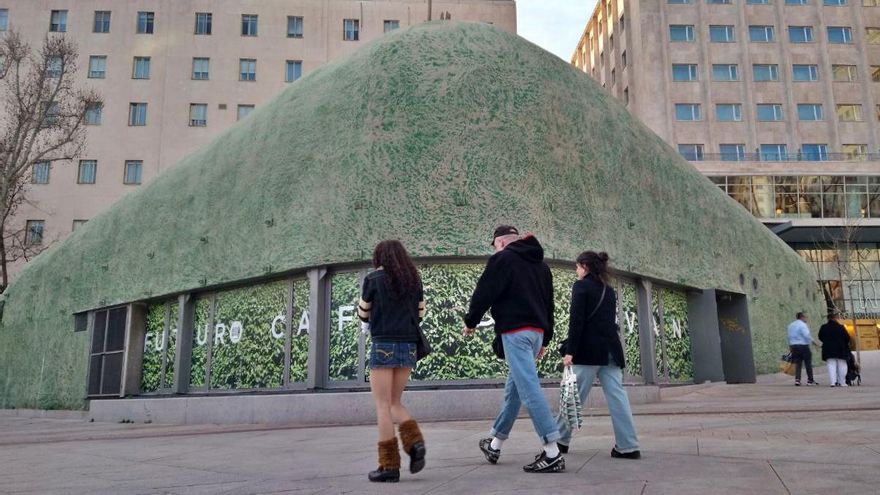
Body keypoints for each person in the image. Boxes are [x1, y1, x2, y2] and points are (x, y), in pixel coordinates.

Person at [462, 225, 564, 473]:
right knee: (515, 390)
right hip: (536, 333)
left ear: (499, 243)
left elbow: (484, 292)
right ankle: (495, 443)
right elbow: (549, 304)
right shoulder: (542, 266)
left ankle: (552, 451)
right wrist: (546, 339)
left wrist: (470, 322)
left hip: (516, 332)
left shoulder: (502, 259)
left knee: (529, 390)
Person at [556, 251, 640, 459]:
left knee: (572, 397)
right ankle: (628, 446)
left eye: (577, 266)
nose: (576, 271)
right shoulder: (608, 290)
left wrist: (570, 352)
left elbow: (577, 322)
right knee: (618, 398)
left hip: (587, 352)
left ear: (585, 266)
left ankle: (560, 441)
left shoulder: (581, 286)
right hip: (611, 351)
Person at [357, 240, 428, 483]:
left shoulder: (373, 280)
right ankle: (415, 442)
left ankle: (388, 466)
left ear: (380, 258)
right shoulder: (413, 280)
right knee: (396, 401)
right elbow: (420, 313)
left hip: (384, 344)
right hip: (408, 344)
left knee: (383, 405)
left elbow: (363, 312)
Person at [818, 312, 851, 387]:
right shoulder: (841, 327)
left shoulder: (824, 327)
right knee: (842, 365)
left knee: (831, 365)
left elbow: (820, 337)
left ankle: (833, 382)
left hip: (828, 349)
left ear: (828, 319)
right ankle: (842, 382)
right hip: (841, 349)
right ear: (835, 318)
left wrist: (827, 342)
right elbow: (847, 338)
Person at [787, 312, 819, 386]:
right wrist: (814, 342)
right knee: (808, 363)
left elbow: (789, 336)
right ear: (802, 317)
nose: (806, 319)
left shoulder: (791, 325)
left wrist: (790, 346)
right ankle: (810, 380)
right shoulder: (803, 325)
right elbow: (806, 335)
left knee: (798, 363)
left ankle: (797, 380)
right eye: (805, 317)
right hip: (803, 346)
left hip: (794, 346)